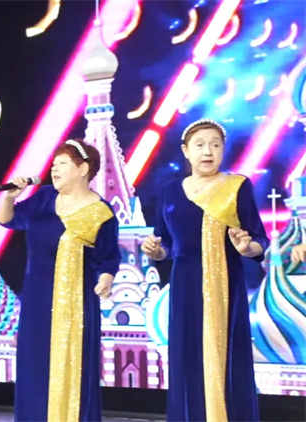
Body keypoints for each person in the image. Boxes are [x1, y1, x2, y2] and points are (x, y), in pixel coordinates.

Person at [141, 119, 267, 421]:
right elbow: (165, 243)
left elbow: (259, 240)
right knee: (188, 356)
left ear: (223, 150)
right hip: (185, 284)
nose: (207, 151)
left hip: (226, 283)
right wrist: (156, 251)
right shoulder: (169, 191)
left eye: (215, 145)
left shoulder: (237, 186)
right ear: (186, 151)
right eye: (199, 145)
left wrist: (246, 247)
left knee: (226, 356)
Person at [0, 139, 119, 422]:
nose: (54, 169)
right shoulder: (43, 198)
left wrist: (106, 279)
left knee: (73, 365)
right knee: (36, 367)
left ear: (83, 169)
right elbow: (8, 220)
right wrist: (10, 197)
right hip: (37, 301)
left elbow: (109, 257)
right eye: (53, 164)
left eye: (62, 164)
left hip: (77, 304)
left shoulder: (101, 212)